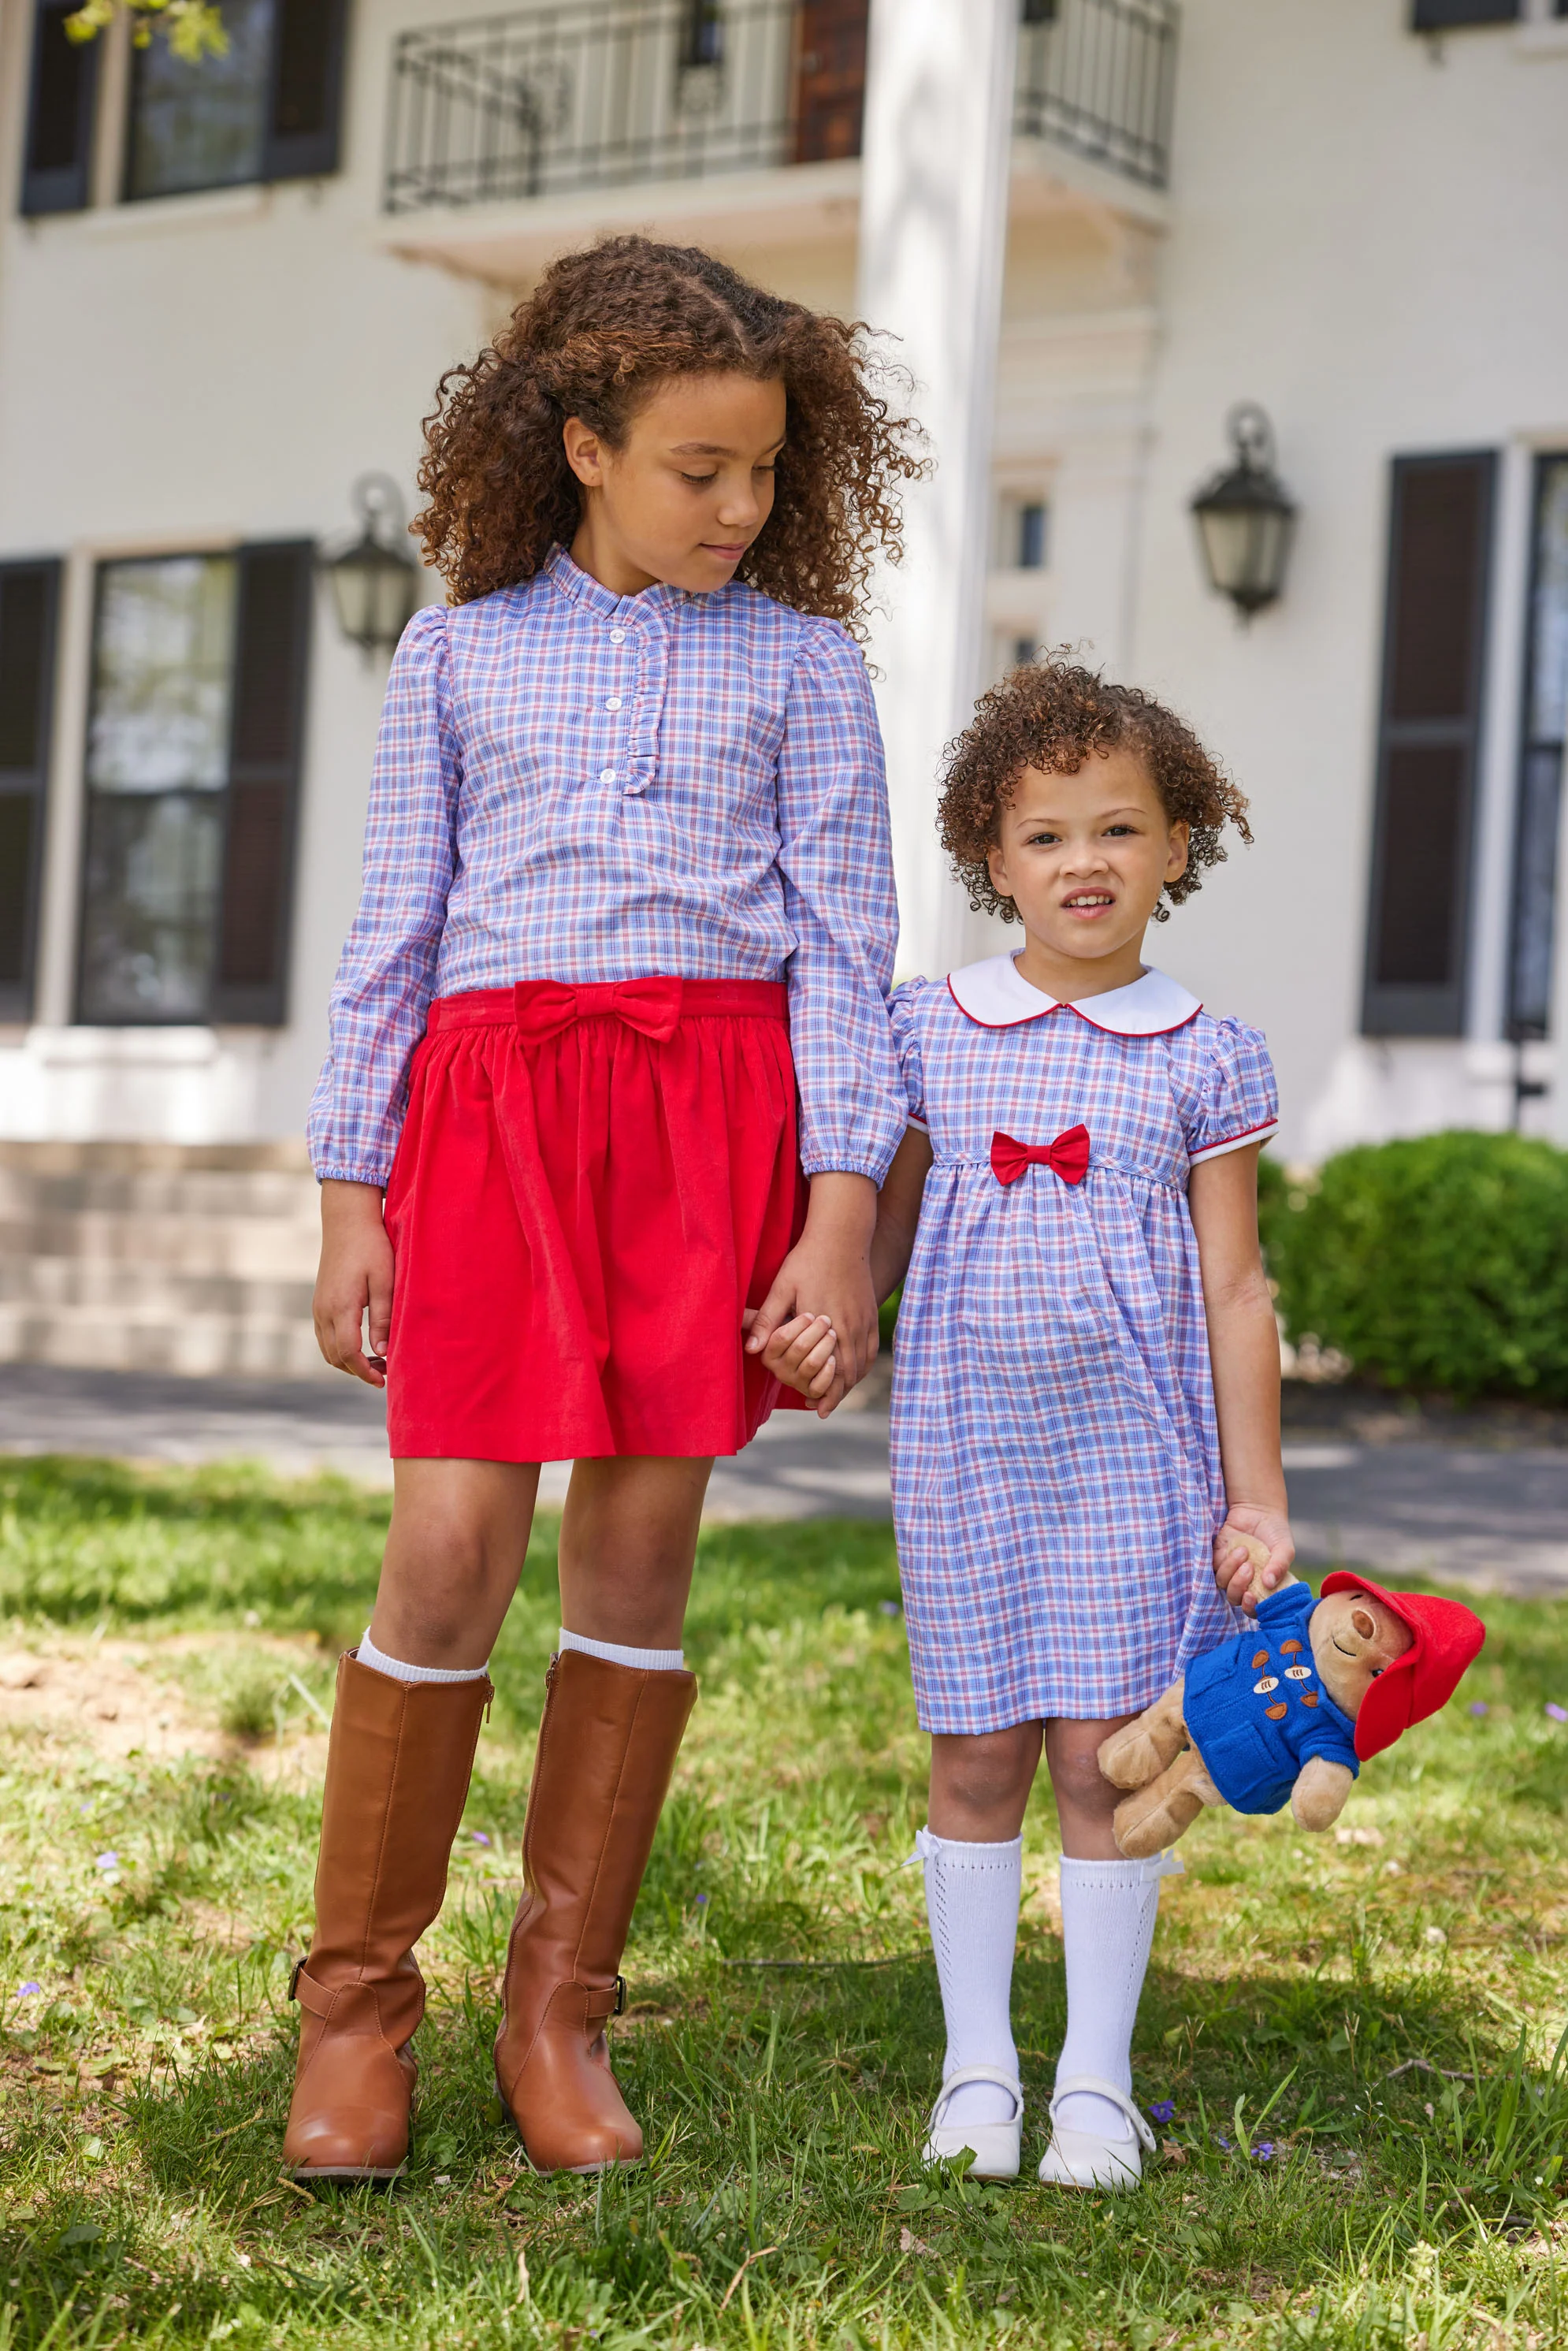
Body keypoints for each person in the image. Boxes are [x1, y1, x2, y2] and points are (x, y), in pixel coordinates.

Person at [285, 236, 920, 2183]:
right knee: (448, 1555)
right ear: (578, 446)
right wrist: (350, 1196)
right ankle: (354, 2020)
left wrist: (831, 1224)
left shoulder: (806, 668)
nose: (738, 507)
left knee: (633, 1579)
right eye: (695, 470)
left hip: (710, 1127)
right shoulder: (459, 653)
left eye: (761, 473)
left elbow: (845, 955)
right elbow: (393, 937)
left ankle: (556, 2011)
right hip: (490, 1124)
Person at [764, 658, 1288, 2190]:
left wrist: (1254, 1502)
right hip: (963, 1451)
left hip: (1137, 1456)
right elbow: (880, 1234)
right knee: (977, 1752)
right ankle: (976, 2070)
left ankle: (1097, 2086)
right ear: (988, 858)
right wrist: (825, 1327)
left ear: (1176, 845)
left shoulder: (1205, 1050)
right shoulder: (925, 1030)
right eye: (1044, 835)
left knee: (1104, 1762)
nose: (1082, 865)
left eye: (1117, 831)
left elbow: (1238, 1290)